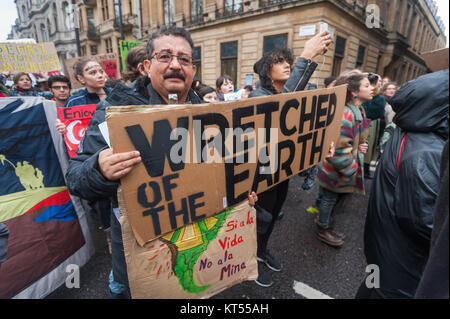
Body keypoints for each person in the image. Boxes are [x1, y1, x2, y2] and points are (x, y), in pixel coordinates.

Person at [65, 25, 257, 298]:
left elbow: (224, 171)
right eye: (165, 56)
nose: (176, 65)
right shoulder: (113, 111)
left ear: (194, 70)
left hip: (192, 247)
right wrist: (99, 169)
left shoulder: (210, 113)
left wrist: (239, 194)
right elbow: (75, 178)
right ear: (146, 66)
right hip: (138, 255)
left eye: (185, 59)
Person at [249, 30, 332, 287]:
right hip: (260, 176)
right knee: (259, 220)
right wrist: (307, 56)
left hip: (281, 173)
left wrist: (317, 148)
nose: (286, 64)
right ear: (265, 71)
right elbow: (284, 108)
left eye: (289, 61)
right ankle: (249, 261)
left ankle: (261, 252)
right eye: (279, 61)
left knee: (272, 216)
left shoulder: (294, 94)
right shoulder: (258, 97)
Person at [358, 69, 449, 299]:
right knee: (378, 290)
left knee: (371, 284)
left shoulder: (407, 130)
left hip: (381, 247)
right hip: (402, 268)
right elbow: (427, 223)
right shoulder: (427, 153)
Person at [315, 73, 372, 247]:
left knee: (333, 198)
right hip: (337, 168)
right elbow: (339, 149)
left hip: (344, 166)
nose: (372, 89)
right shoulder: (346, 113)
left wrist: (361, 146)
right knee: (329, 199)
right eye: (367, 85)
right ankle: (322, 228)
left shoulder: (358, 109)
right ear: (354, 91)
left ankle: (327, 223)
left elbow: (356, 137)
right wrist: (353, 168)